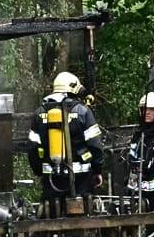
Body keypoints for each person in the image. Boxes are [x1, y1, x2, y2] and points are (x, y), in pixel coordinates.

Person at [27, 72, 104, 209]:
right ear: (73, 88)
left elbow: (32, 148)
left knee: (52, 214)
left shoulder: (39, 113)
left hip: (51, 179)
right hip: (81, 179)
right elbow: (95, 144)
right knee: (83, 214)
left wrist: (39, 171)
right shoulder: (82, 111)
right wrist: (97, 170)